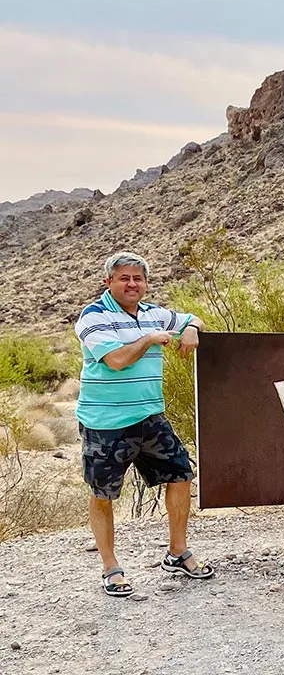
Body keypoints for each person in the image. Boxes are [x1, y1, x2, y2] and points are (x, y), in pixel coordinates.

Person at [74, 251, 214, 597]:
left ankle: (177, 552)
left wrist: (191, 330)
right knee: (103, 493)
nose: (132, 284)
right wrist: (150, 339)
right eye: (124, 278)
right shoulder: (94, 316)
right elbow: (116, 360)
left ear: (146, 283)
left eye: (138, 278)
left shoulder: (154, 314)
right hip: (105, 422)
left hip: (150, 417)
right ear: (108, 281)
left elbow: (193, 318)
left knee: (181, 475)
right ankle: (111, 568)